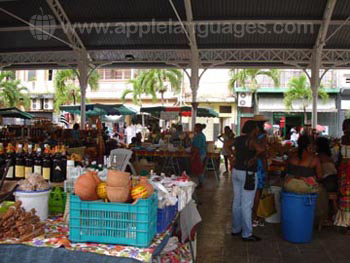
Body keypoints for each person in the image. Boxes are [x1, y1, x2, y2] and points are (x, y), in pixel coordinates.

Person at [284, 135, 328, 226]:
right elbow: (320, 176)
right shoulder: (314, 158)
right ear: (309, 146)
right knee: (322, 191)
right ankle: (320, 220)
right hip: (304, 187)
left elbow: (286, 170)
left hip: (289, 185)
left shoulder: (292, 156)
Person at [232, 120, 264, 241]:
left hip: (236, 171)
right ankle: (247, 233)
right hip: (248, 173)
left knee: (237, 201)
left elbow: (226, 145)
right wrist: (254, 158)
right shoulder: (252, 140)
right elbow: (261, 149)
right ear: (253, 129)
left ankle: (235, 229)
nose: (258, 130)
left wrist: (234, 155)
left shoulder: (238, 139)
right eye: (256, 128)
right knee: (247, 204)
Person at [334, 119, 350, 228]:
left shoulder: (342, 140)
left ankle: (345, 222)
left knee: (344, 195)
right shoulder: (341, 140)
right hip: (345, 171)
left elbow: (338, 159)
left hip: (344, 172)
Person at [253, 119, 268, 227]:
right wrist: (265, 169)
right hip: (259, 166)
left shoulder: (251, 137)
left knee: (251, 192)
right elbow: (263, 154)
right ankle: (255, 217)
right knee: (258, 191)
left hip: (251, 165)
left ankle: (251, 216)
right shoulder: (263, 137)